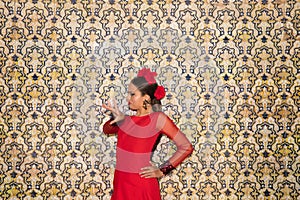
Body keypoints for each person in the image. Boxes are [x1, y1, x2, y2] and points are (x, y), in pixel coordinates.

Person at [102, 68, 194, 200]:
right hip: (121, 184)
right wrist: (118, 120)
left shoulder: (158, 118)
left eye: (132, 94)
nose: (128, 98)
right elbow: (106, 129)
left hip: (141, 185)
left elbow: (186, 147)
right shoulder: (126, 119)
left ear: (145, 98)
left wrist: (162, 170)